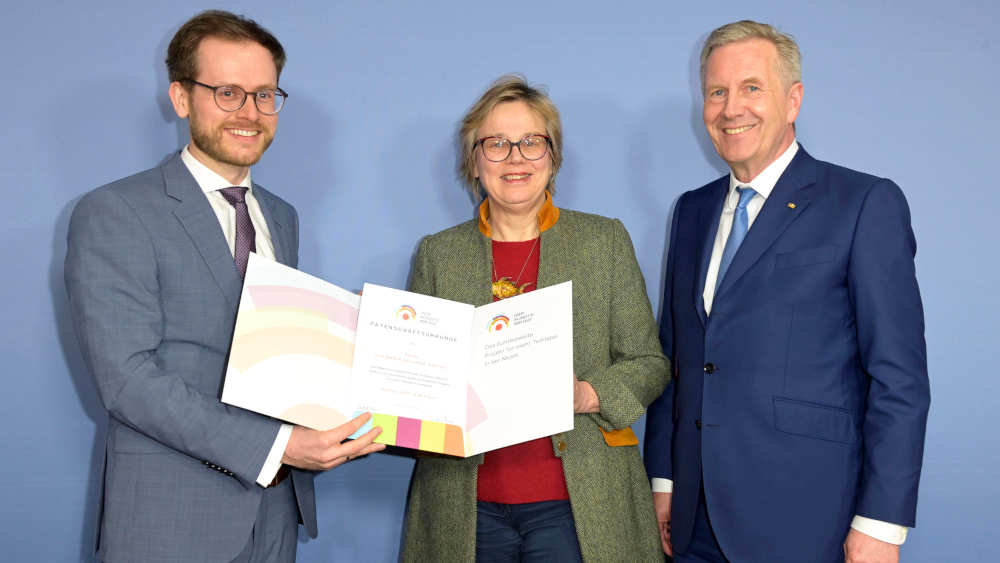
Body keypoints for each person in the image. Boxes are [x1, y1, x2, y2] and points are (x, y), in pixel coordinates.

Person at [65, 10, 383, 562]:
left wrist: (354, 354)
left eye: (264, 95)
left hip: (276, 514)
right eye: (228, 92)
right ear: (181, 97)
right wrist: (279, 446)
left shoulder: (281, 216)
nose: (250, 113)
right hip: (169, 522)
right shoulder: (116, 211)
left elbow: (274, 358)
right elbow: (127, 379)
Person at [643, 20, 930, 563]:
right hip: (692, 522)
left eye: (751, 88)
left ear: (793, 99)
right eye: (716, 92)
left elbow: (899, 378)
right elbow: (674, 362)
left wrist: (882, 522)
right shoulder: (691, 211)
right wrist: (664, 481)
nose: (731, 108)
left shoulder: (863, 203)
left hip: (809, 519)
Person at [399, 75, 669, 562]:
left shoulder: (603, 241)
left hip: (580, 502)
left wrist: (587, 394)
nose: (515, 158)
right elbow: (417, 383)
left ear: (553, 156)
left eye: (531, 142)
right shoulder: (439, 254)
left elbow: (648, 364)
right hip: (465, 504)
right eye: (496, 144)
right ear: (474, 162)